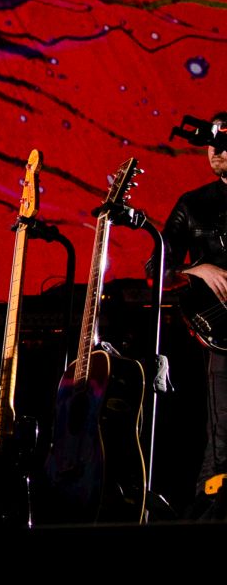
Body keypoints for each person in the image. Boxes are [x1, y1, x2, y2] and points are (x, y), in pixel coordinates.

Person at [161, 112, 227, 518]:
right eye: (210, 145)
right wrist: (199, 269)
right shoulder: (194, 204)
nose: (215, 151)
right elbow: (157, 269)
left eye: (223, 144)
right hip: (219, 333)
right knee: (222, 438)